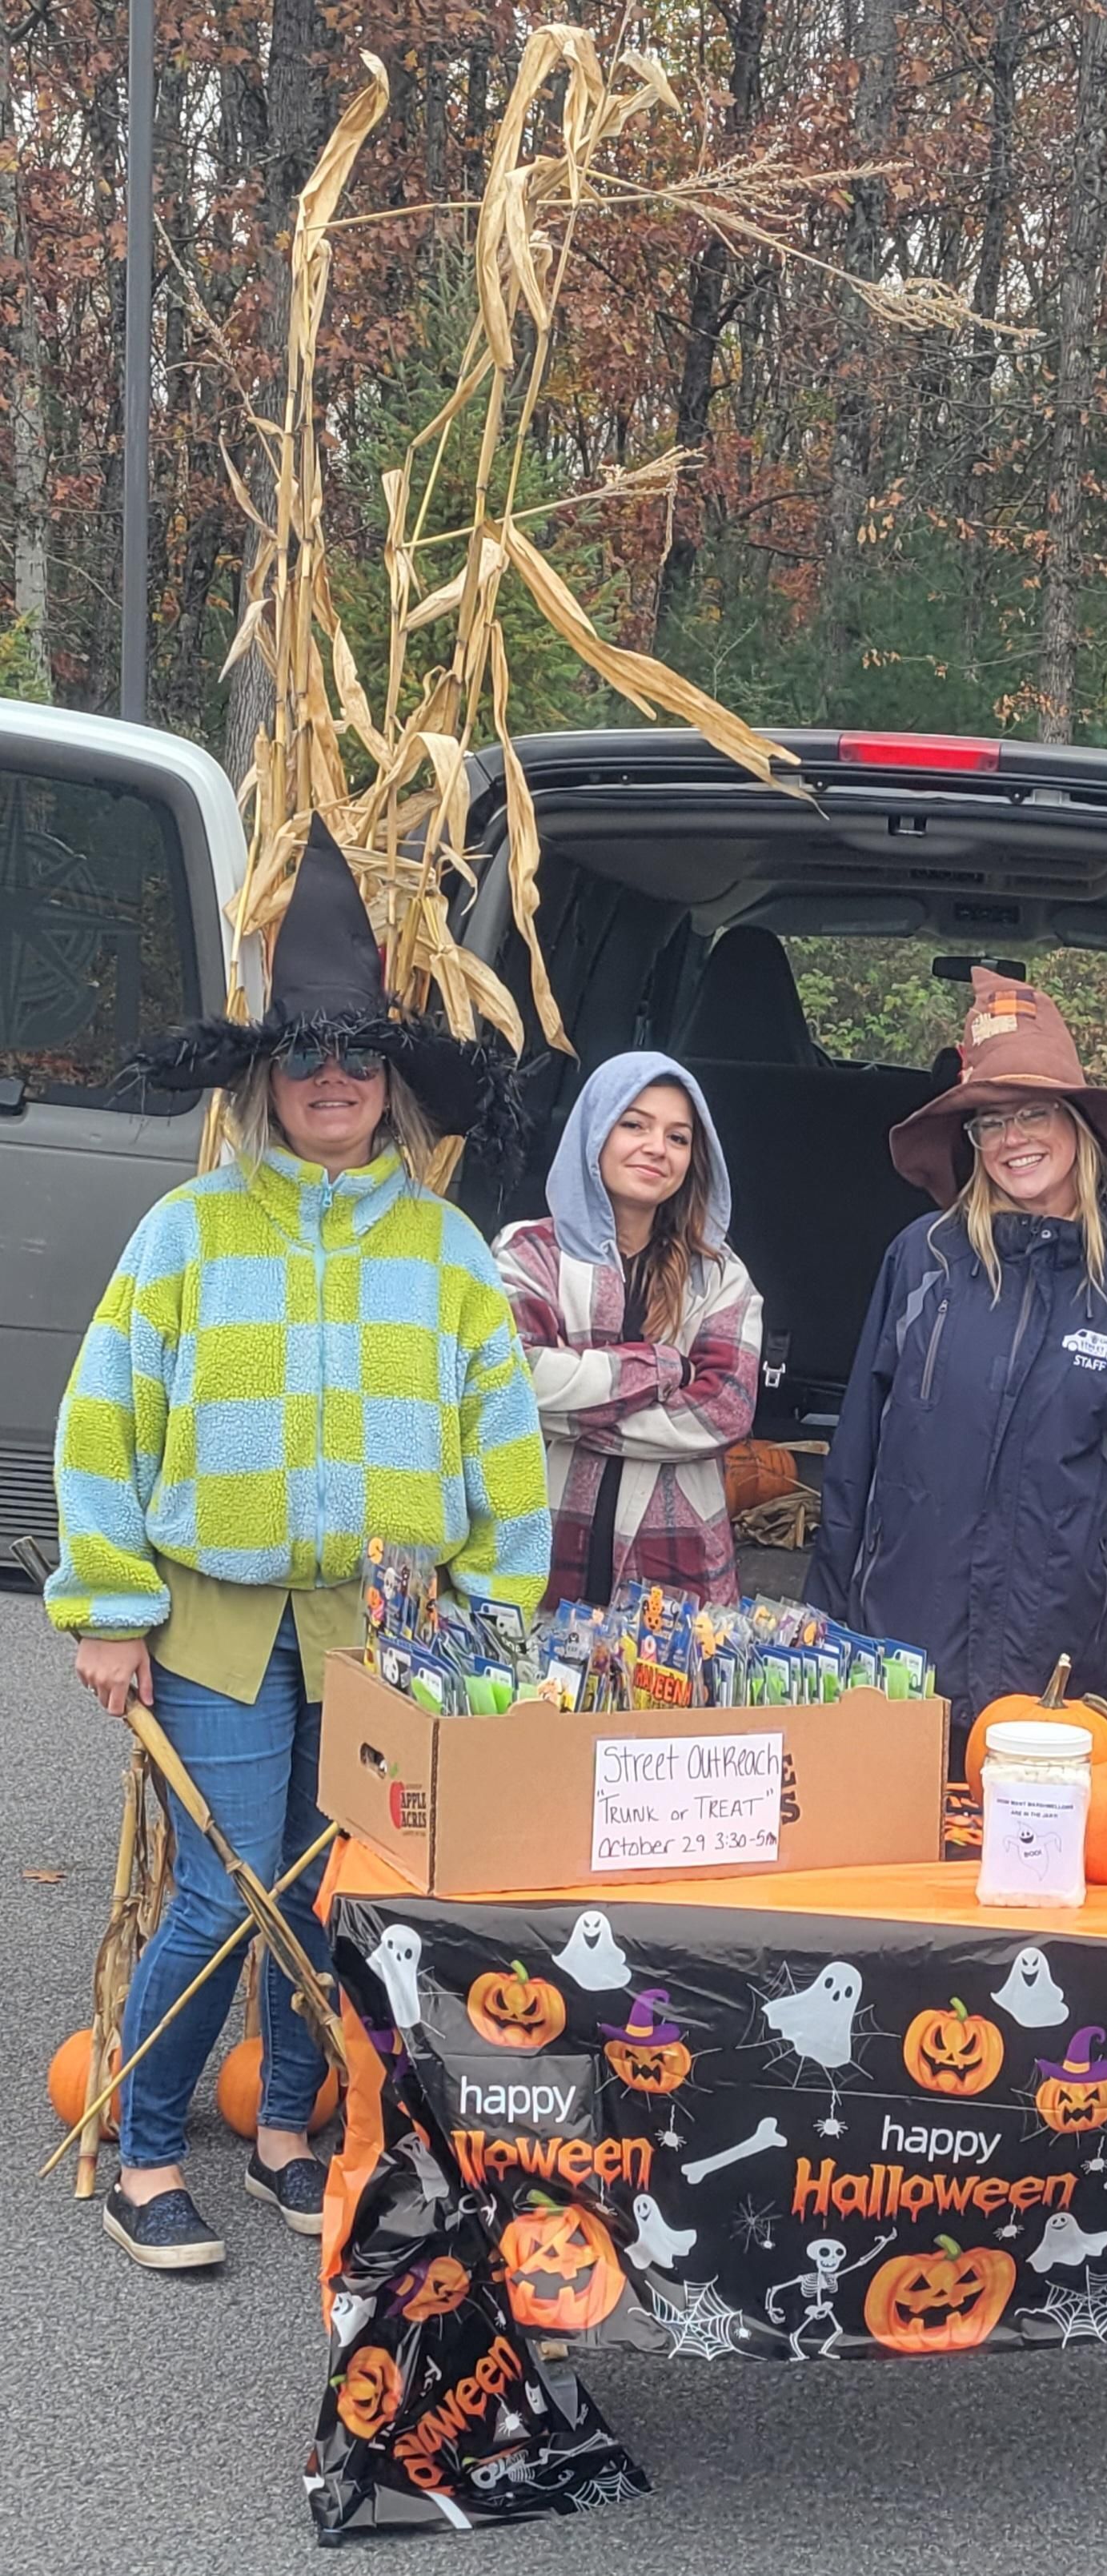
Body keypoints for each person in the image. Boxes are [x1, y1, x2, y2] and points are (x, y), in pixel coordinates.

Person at [44, 820, 550, 2273]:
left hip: (382, 1629)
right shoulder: (188, 1235)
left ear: (392, 1087)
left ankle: (279, 2127)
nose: (334, 1078)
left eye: (361, 1059)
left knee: (328, 1890)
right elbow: (104, 1422)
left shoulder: (446, 1254)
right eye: (307, 1057)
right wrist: (108, 1607)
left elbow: (504, 1455)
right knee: (224, 1880)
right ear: (268, 1079)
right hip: (209, 1617)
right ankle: (145, 2148)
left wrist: (493, 1621)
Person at [807, 969, 1107, 1741]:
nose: (1012, 1138)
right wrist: (827, 1659)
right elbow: (852, 1472)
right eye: (989, 1122)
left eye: (1033, 1113)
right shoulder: (920, 1263)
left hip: (1054, 1681)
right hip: (902, 1670)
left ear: (1078, 1126)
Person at [495, 1053, 764, 1611]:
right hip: (539, 1554)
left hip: (679, 1566)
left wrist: (572, 1416)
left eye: (678, 1137)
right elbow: (513, 1381)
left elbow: (726, 1409)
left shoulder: (719, 1275)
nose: (655, 1148)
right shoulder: (528, 1254)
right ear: (594, 1130)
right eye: (634, 1124)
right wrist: (664, 1367)